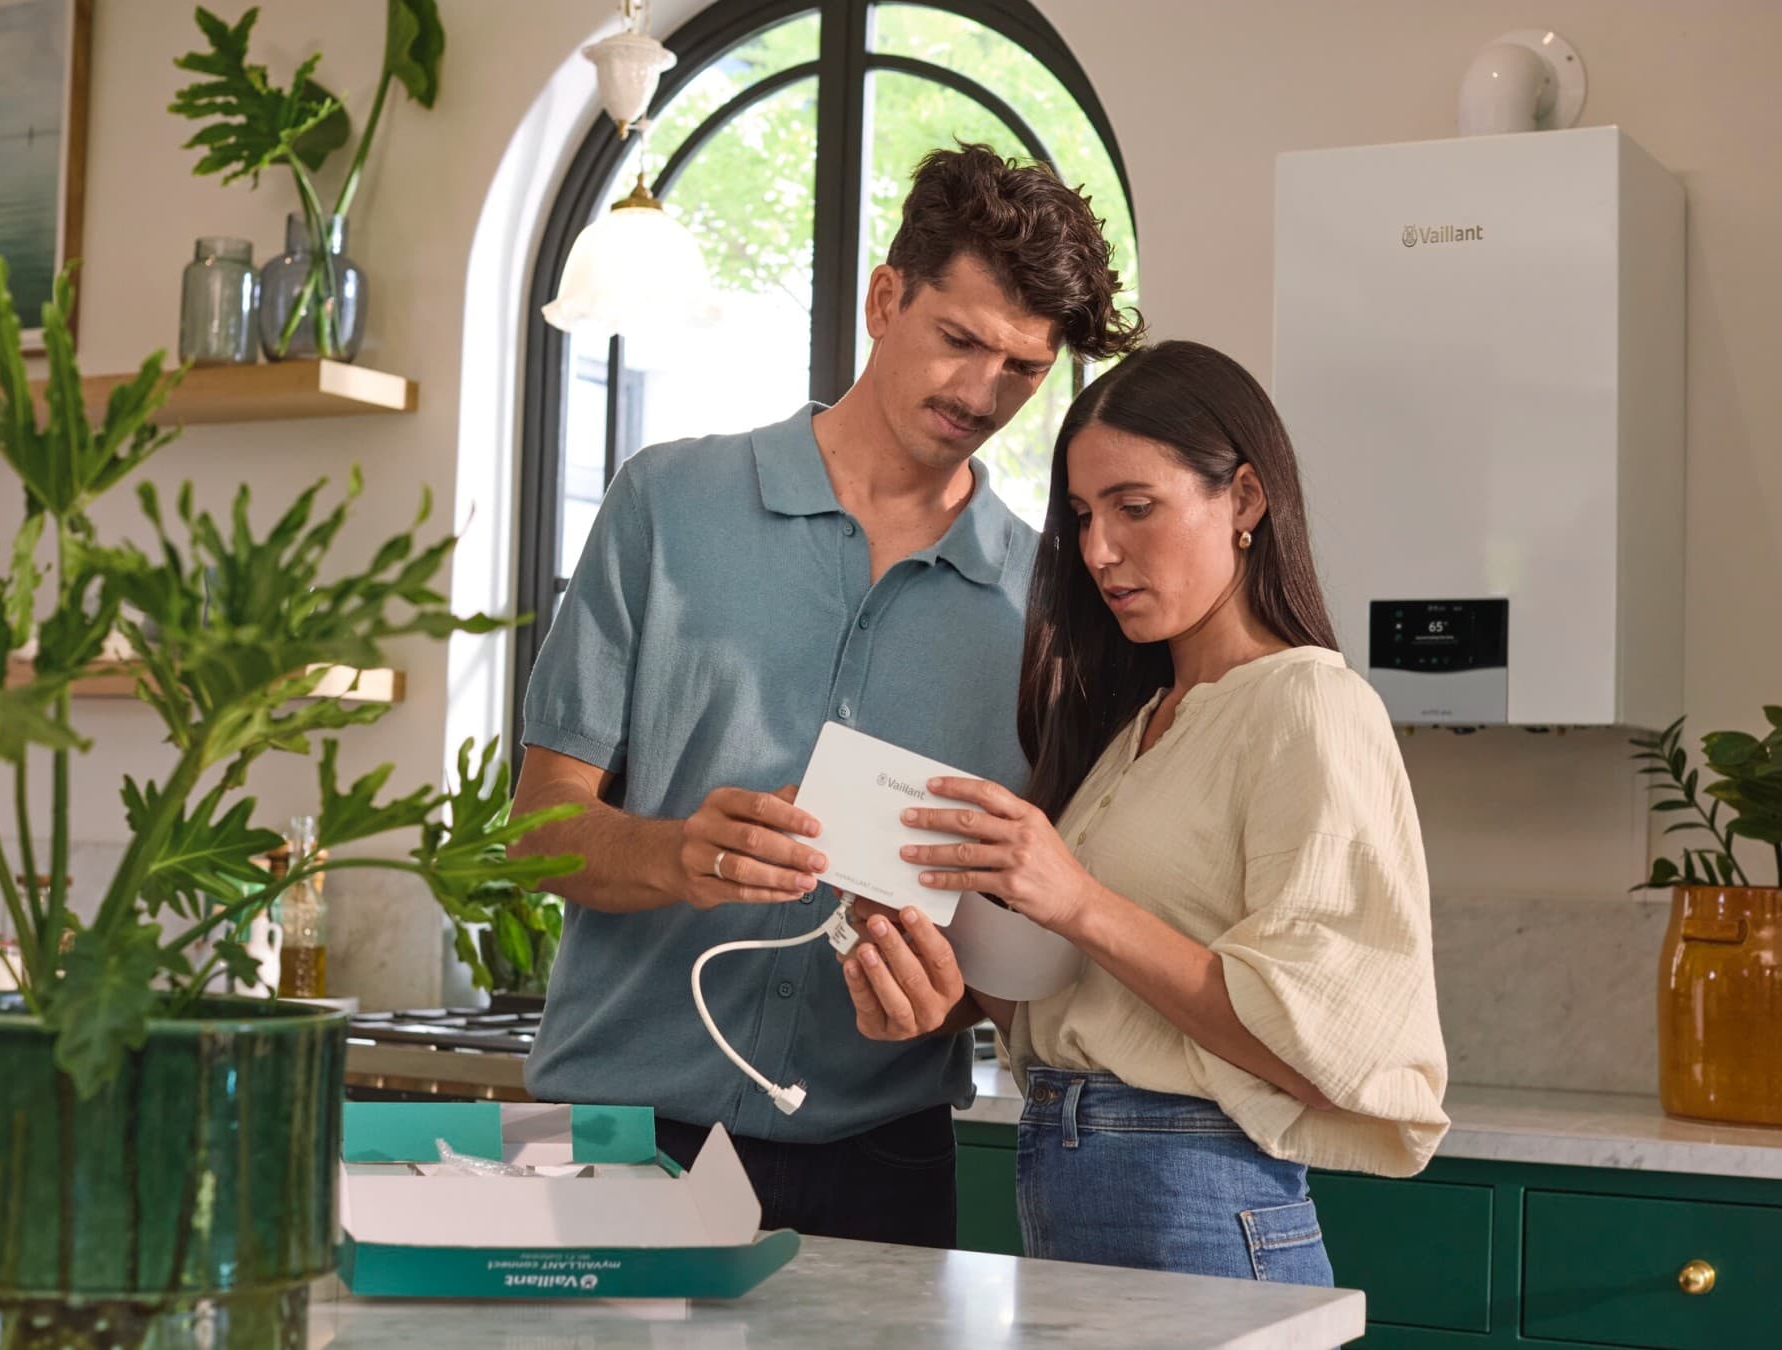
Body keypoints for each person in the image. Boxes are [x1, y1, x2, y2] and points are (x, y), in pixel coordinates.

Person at [507, 143, 1144, 1248]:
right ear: (884, 299)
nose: (981, 393)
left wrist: (953, 998)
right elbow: (537, 832)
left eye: (1023, 371)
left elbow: (1013, 934)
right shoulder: (666, 503)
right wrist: (672, 856)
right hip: (617, 1139)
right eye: (959, 341)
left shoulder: (1050, 612)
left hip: (883, 1159)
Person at [844, 339, 1449, 1279]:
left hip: (1200, 1202)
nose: (1098, 551)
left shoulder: (1311, 707)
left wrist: (1076, 898)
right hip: (1069, 1173)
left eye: (1136, 509)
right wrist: (922, 948)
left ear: (1244, 500)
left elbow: (1319, 1050)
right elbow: (1087, 1006)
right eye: (1083, 517)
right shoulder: (1131, 728)